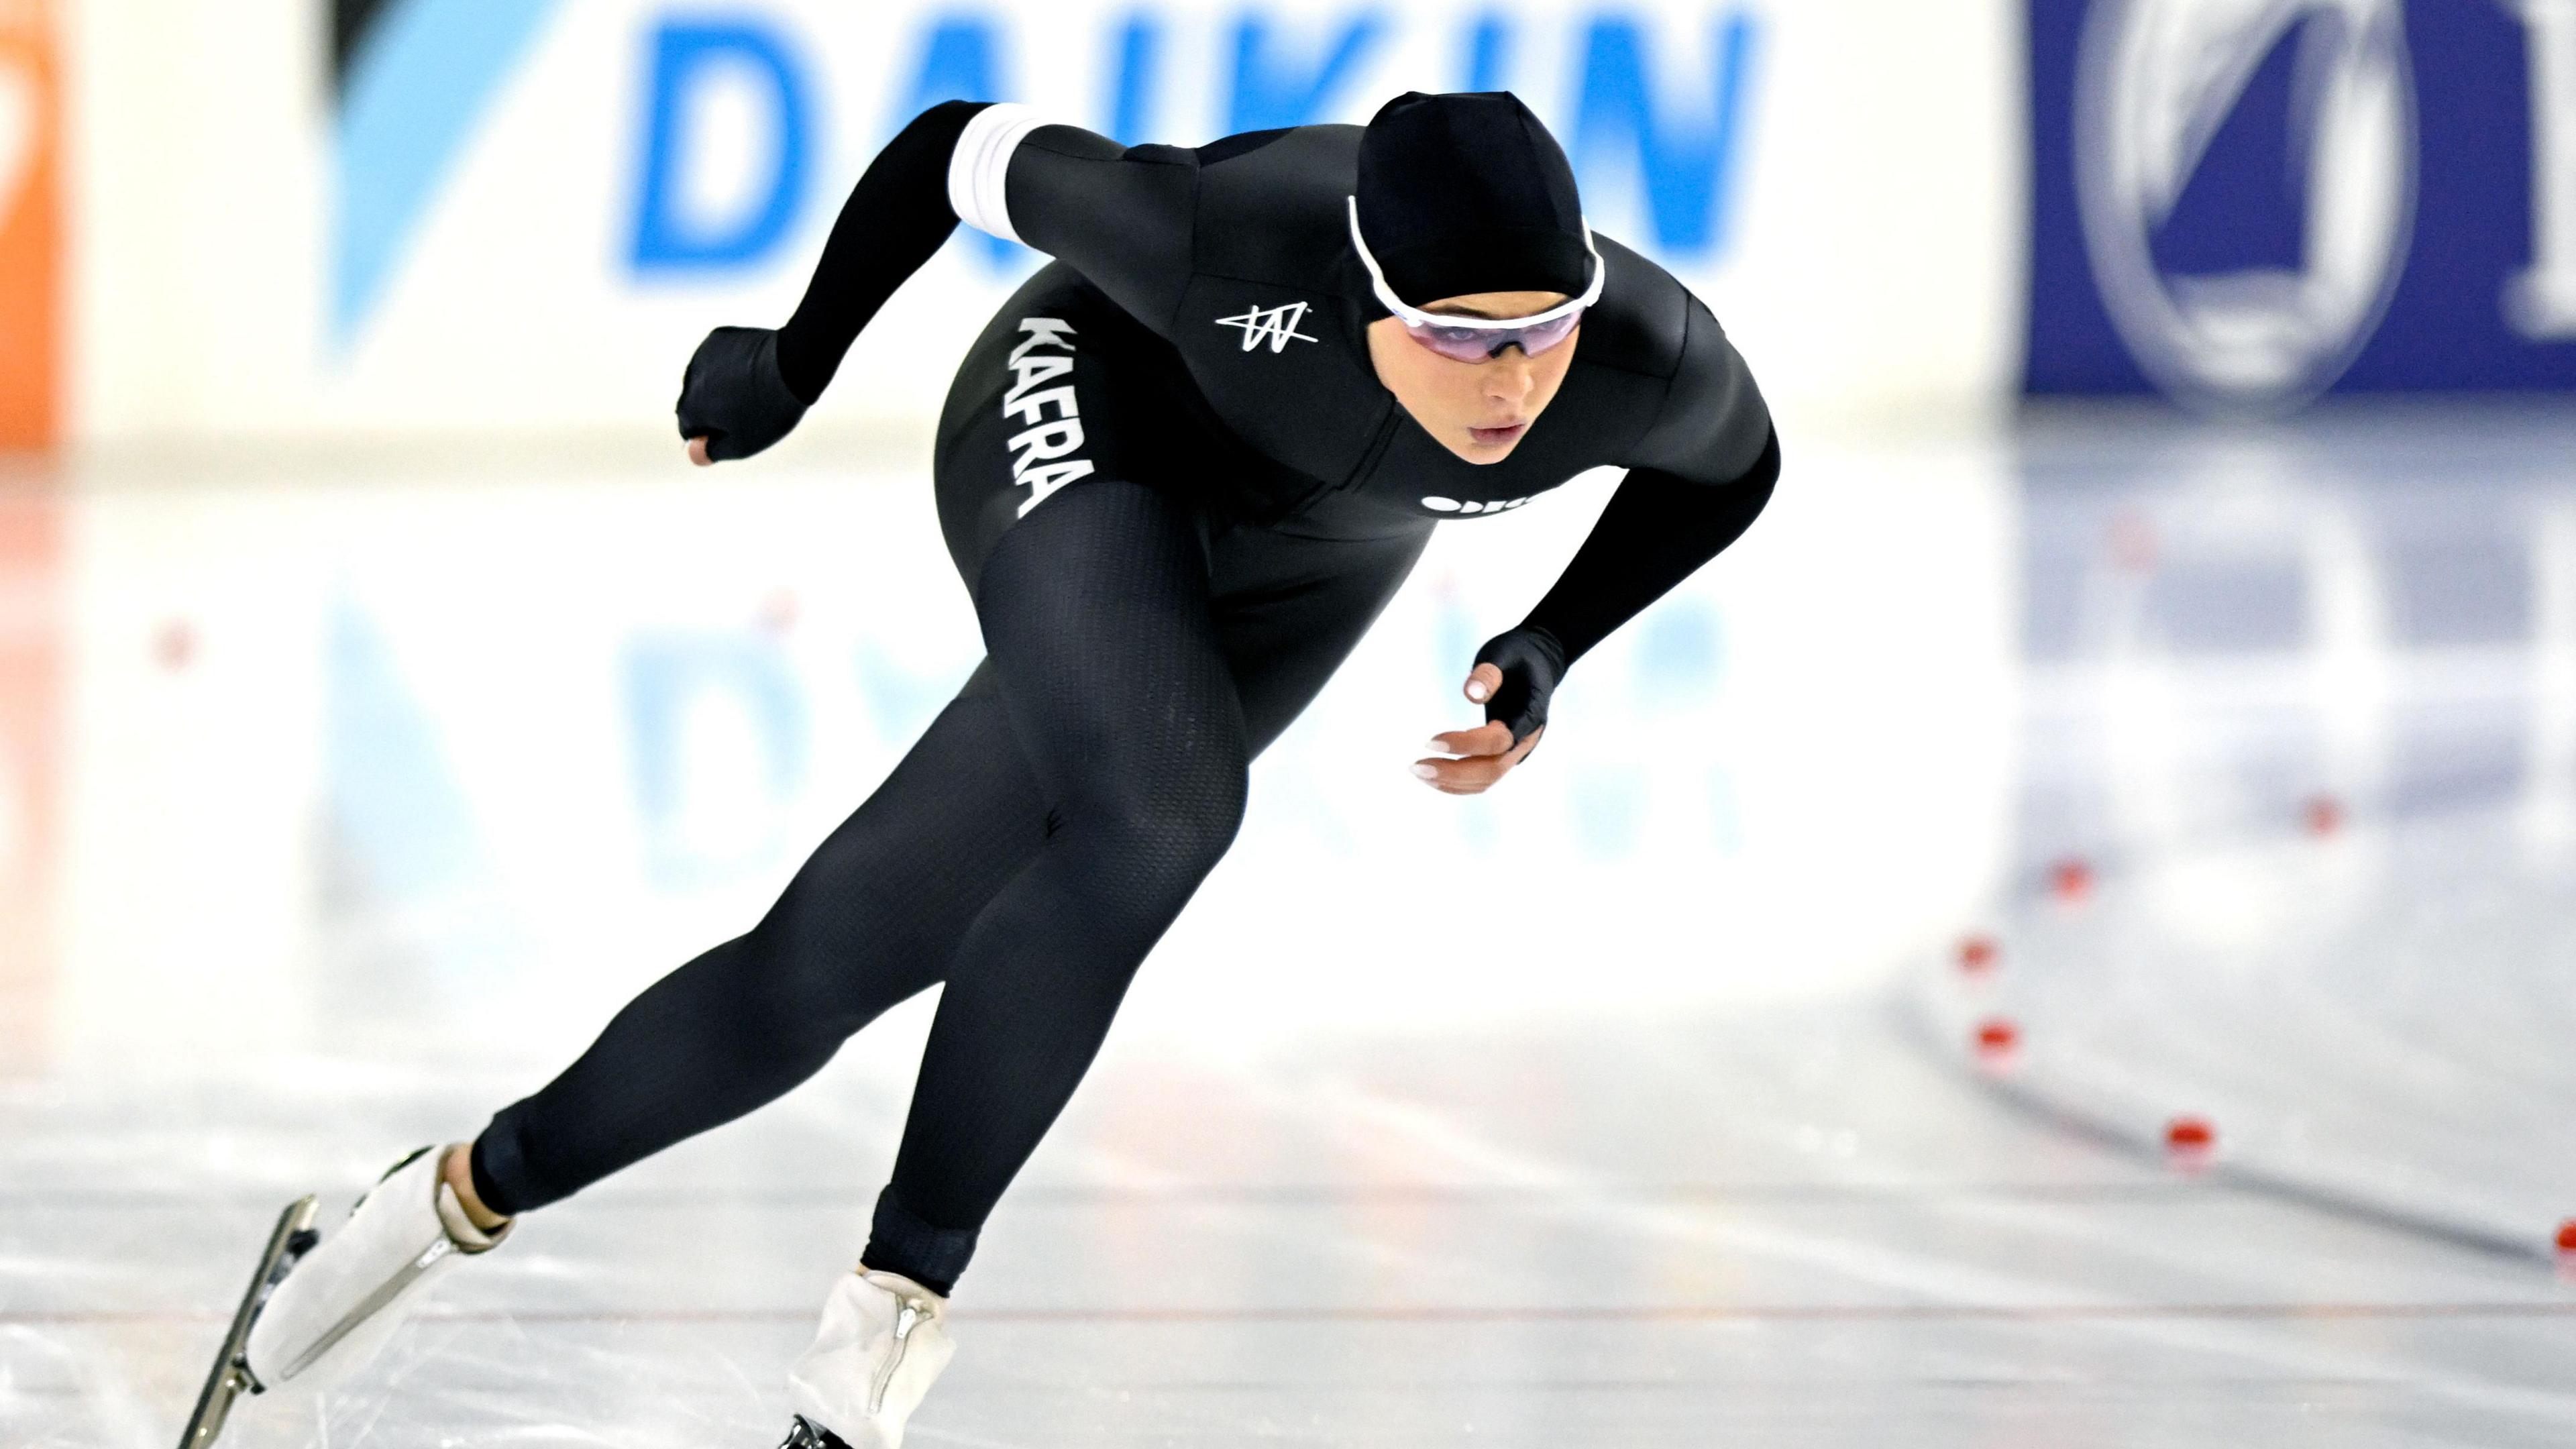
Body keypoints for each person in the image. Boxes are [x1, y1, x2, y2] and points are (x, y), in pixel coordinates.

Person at [201, 90, 1778, 1449]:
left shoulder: (1645, 356)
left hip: (1318, 559)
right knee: (1164, 808)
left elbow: (1736, 474)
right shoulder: (1215, 236)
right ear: (1366, 291)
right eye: (1456, 339)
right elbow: (956, 147)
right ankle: (880, 1332)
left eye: (1541, 333)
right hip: (1085, 414)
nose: (1512, 385)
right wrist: (792, 361)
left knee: (828, 963)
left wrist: (1559, 635)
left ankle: (431, 1204)